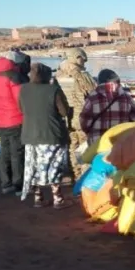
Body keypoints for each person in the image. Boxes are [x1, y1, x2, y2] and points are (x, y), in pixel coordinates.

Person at [20, 63, 74, 209]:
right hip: (51, 134)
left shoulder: (23, 89)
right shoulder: (53, 90)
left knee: (34, 166)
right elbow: (64, 112)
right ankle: (58, 199)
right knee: (54, 166)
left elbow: (21, 108)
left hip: (30, 134)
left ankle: (38, 198)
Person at [0, 50, 31, 196]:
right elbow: (21, 100)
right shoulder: (14, 76)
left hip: (2, 119)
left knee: (4, 152)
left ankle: (6, 183)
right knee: (17, 152)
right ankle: (18, 184)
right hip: (17, 118)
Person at [54, 48, 96, 180]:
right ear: (77, 58)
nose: (84, 62)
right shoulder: (82, 75)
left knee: (72, 146)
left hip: (66, 118)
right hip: (82, 117)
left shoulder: (59, 76)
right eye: (83, 59)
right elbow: (94, 93)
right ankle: (85, 177)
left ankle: (75, 174)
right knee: (85, 147)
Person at [79, 68, 135, 146]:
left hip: (97, 144)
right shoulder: (127, 97)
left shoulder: (93, 97)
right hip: (121, 143)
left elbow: (84, 122)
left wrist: (90, 132)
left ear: (99, 82)